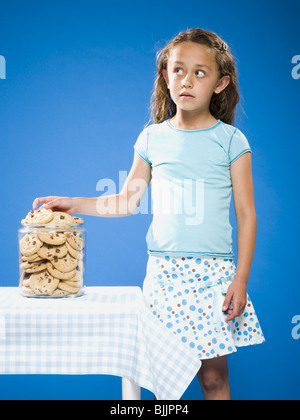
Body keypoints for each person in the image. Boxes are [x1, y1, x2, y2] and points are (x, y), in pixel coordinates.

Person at [33, 28, 265, 400]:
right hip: (163, 274)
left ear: (220, 84)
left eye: (199, 73)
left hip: (212, 274)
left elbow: (246, 215)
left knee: (214, 379)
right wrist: (74, 203)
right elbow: (126, 201)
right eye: (177, 70)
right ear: (165, 76)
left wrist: (240, 280)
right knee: (162, 383)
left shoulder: (231, 141)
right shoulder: (152, 138)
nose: (186, 80)